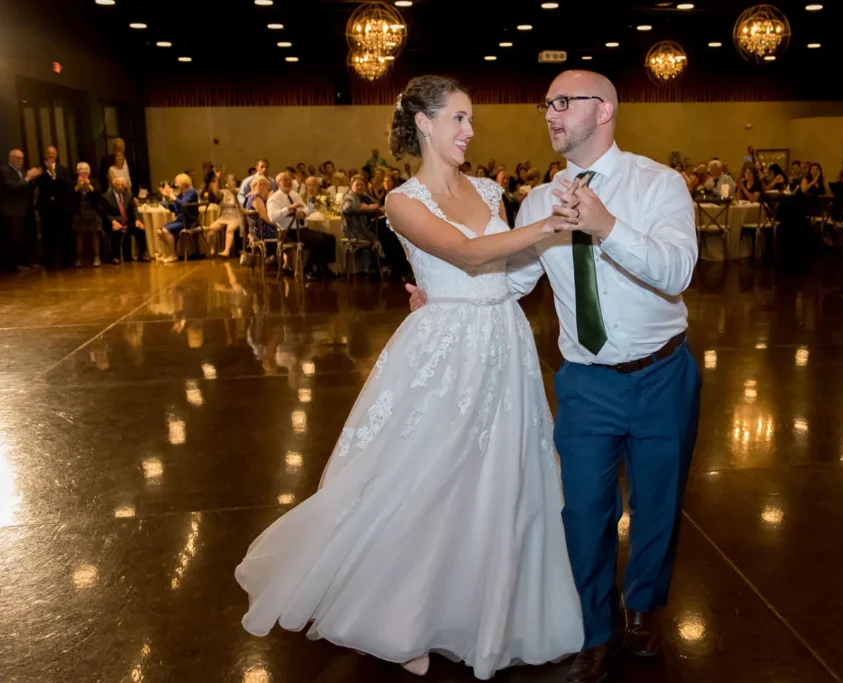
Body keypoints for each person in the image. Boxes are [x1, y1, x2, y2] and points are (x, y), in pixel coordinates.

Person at [236, 75, 585, 679]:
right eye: (458, 118)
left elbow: (503, 269)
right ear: (424, 124)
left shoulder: (487, 189)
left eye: (471, 119)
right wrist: (558, 222)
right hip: (445, 352)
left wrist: (525, 256)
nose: (470, 131)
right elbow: (471, 254)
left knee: (497, 480)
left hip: (504, 341)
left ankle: (481, 609)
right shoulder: (402, 200)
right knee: (427, 477)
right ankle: (398, 617)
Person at [408, 70, 701, 683]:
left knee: (657, 504)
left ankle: (644, 607)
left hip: (661, 375)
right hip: (586, 382)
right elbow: (513, 281)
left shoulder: (658, 184)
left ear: (606, 111)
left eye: (564, 103)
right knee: (583, 511)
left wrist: (606, 227)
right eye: (547, 103)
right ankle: (593, 630)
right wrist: (448, 304)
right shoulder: (541, 201)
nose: (551, 114)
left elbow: (676, 272)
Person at [266, 172, 336, 278]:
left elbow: (309, 208)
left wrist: (303, 212)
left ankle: (321, 267)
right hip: (288, 232)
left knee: (330, 238)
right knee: (318, 240)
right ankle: (309, 270)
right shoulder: (274, 198)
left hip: (302, 229)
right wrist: (289, 209)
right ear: (278, 183)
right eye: (285, 180)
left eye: (289, 179)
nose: (288, 182)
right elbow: (272, 217)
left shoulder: (294, 194)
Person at [1, 149, 43, 271]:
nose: (20, 161)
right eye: (18, 158)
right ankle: (14, 265)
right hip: (11, 211)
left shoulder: (21, 172)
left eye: (22, 159)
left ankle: (25, 262)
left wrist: (33, 178)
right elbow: (13, 187)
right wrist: (28, 178)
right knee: (14, 239)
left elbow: (26, 188)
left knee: (25, 238)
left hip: (24, 210)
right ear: (11, 158)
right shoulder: (4, 171)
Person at [36, 146, 72, 268]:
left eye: (53, 153)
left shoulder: (63, 170)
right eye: (48, 153)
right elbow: (36, 185)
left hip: (62, 208)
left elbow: (68, 184)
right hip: (46, 208)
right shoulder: (39, 170)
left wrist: (54, 174)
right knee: (47, 235)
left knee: (64, 234)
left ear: (56, 155)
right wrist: (47, 173)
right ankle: (49, 263)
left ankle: (66, 262)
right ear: (45, 155)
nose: (51, 155)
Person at [341, 176, 383, 274]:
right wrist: (367, 207)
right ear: (352, 186)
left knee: (389, 232)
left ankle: (384, 265)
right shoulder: (349, 197)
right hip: (354, 231)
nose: (359, 187)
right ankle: (384, 265)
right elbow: (347, 207)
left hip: (366, 228)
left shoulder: (364, 196)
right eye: (357, 185)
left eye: (362, 185)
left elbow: (378, 204)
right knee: (385, 234)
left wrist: (373, 207)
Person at [102, 176, 150, 263]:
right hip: (114, 222)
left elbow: (135, 210)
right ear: (113, 185)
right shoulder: (107, 197)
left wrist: (138, 220)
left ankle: (142, 254)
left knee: (140, 230)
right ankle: (115, 256)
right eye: (118, 185)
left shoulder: (129, 195)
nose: (120, 187)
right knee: (115, 232)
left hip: (127, 222)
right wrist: (113, 221)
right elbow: (105, 213)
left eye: (122, 185)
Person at [158, 173, 199, 263]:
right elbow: (174, 209)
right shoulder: (181, 195)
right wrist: (166, 197)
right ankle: (169, 253)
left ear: (181, 182)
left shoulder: (191, 193)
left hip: (189, 221)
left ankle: (173, 255)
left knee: (165, 230)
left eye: (176, 181)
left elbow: (183, 204)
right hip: (180, 220)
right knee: (159, 232)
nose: (175, 183)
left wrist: (173, 196)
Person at [70, 162, 105, 268]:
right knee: (79, 236)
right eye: (80, 169)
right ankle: (79, 258)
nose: (83, 171)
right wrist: (78, 186)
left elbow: (99, 195)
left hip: (92, 213)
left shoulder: (94, 182)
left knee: (95, 235)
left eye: (85, 169)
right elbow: (70, 196)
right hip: (79, 213)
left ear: (89, 171)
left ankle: (97, 257)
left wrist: (89, 185)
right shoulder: (73, 182)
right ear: (77, 171)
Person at [208, 176, 243, 257]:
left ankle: (226, 250)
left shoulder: (238, 191)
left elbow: (232, 189)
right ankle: (212, 248)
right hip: (224, 216)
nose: (230, 182)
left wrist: (229, 183)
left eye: (232, 180)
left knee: (230, 229)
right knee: (211, 228)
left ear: (235, 182)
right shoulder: (224, 192)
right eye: (228, 180)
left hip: (236, 216)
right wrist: (217, 179)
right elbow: (216, 192)